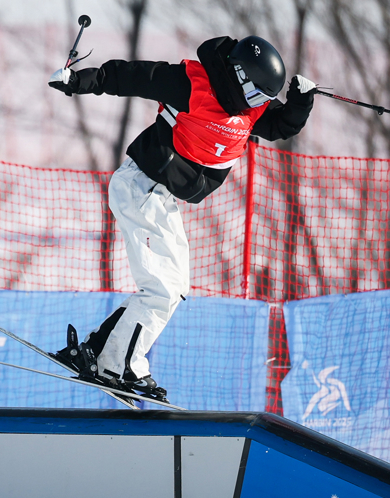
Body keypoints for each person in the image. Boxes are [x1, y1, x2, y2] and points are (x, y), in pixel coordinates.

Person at [48, 35, 316, 402]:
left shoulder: (250, 111)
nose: (256, 106)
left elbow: (280, 126)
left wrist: (301, 102)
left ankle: (97, 351)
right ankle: (121, 366)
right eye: (255, 95)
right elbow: (133, 77)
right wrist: (79, 81)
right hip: (141, 187)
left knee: (173, 289)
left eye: (262, 100)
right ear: (238, 76)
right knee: (161, 289)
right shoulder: (193, 85)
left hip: (159, 198)